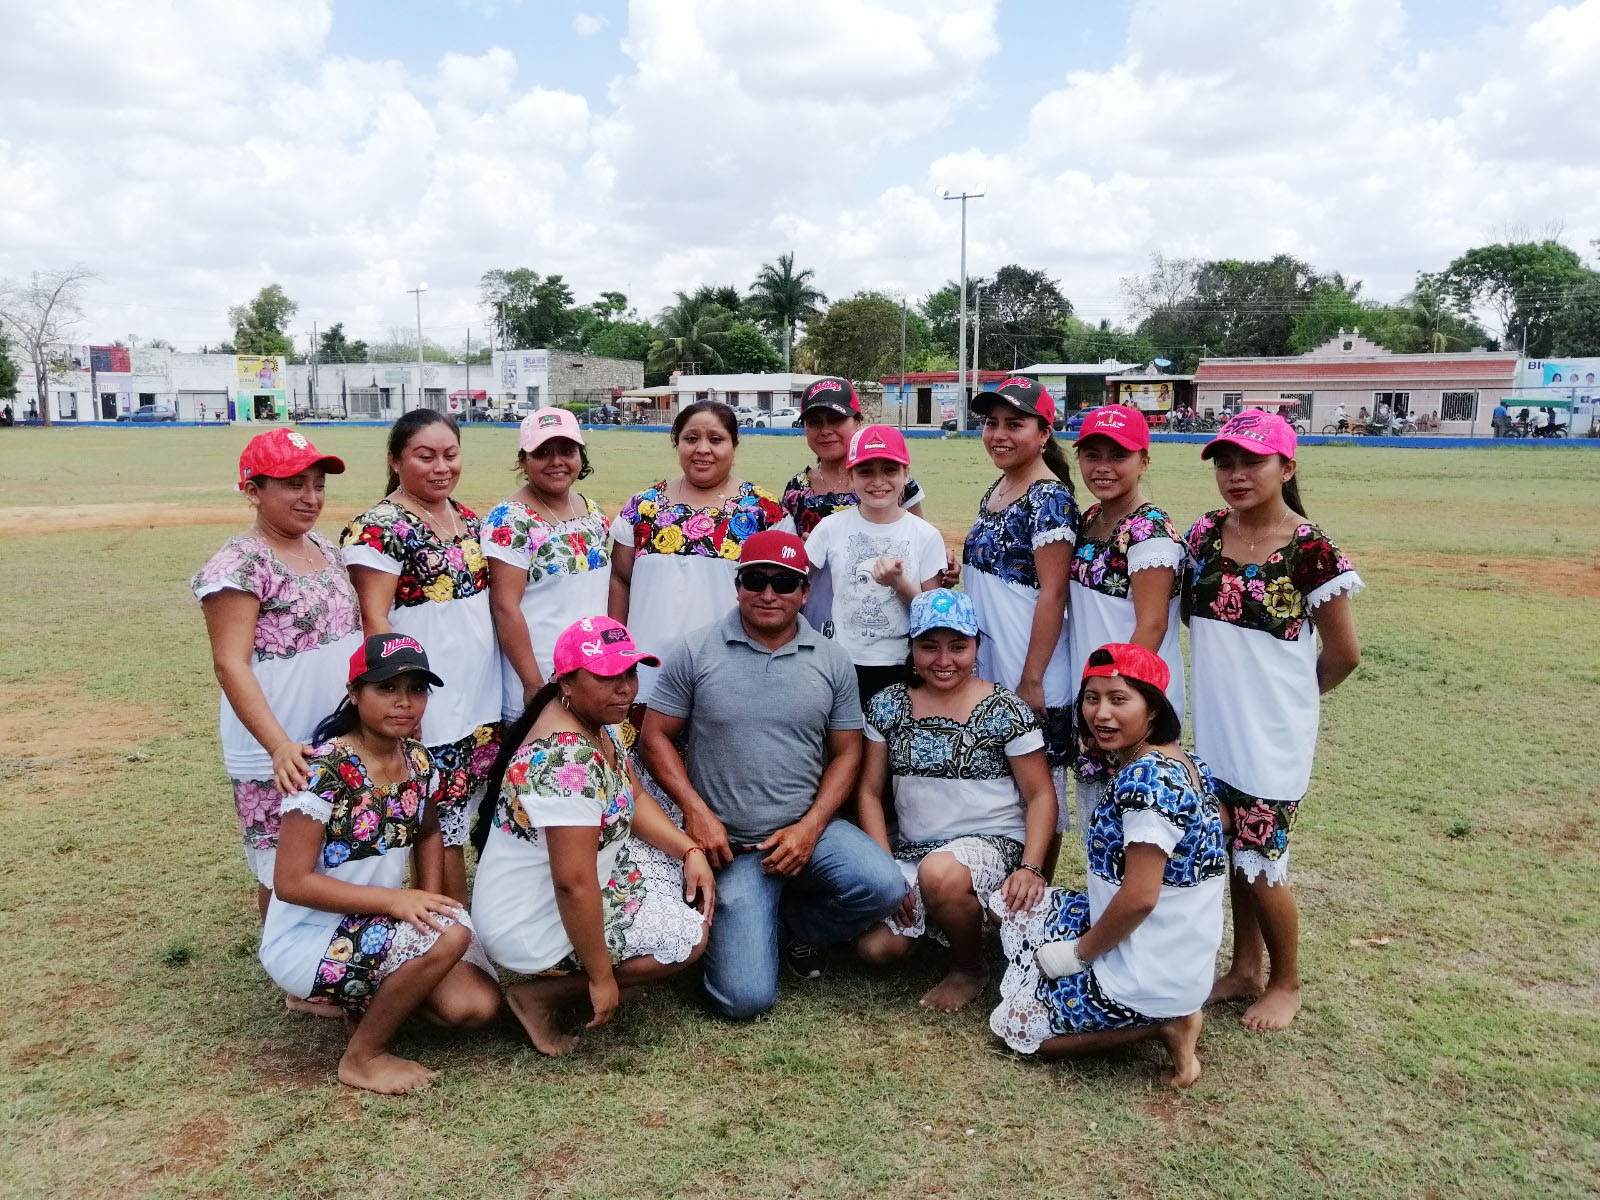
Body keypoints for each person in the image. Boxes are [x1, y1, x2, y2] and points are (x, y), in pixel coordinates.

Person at [639, 530, 906, 1018]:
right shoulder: (697, 650)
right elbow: (654, 735)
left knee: (884, 885)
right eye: (756, 580)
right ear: (737, 585)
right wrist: (695, 812)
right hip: (731, 845)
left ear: (805, 592)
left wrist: (810, 829)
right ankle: (742, 931)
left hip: (808, 832)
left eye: (784, 583)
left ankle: (790, 927)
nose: (768, 594)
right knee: (745, 999)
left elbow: (847, 753)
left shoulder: (832, 659)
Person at [259, 634, 501, 1094]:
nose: (404, 703)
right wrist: (397, 902)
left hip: (380, 921)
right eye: (387, 688)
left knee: (474, 1007)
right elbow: (290, 883)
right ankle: (363, 1056)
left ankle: (361, 1002)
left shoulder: (417, 760)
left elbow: (428, 831)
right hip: (310, 937)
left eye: (416, 689)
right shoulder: (321, 772)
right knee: (453, 936)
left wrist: (427, 904)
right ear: (354, 693)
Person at [1184, 412, 1362, 1031]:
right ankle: (1245, 968)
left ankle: (1287, 982)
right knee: (1237, 853)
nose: (1236, 476)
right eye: (1225, 463)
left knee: (1264, 860)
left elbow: (1344, 655)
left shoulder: (1311, 549)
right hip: (1215, 728)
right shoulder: (1204, 533)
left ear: (1286, 468)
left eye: (1252, 462)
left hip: (1271, 738)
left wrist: (1294, 702)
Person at [469, 617, 712, 1056]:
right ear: (567, 680)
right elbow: (573, 882)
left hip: (565, 882)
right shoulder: (566, 764)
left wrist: (688, 848)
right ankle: (543, 996)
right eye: (606, 676)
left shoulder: (602, 722)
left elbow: (632, 795)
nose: (625, 689)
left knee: (681, 874)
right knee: (689, 941)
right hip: (531, 920)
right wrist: (601, 979)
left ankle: (594, 973)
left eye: (630, 673)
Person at [989, 644, 1227, 1088]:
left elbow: (1140, 897)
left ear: (1153, 709)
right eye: (1092, 698)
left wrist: (1078, 953)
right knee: (1016, 907)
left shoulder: (1146, 781)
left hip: (1147, 967)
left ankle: (1165, 1024)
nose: (1101, 714)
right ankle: (1165, 1005)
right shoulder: (1185, 759)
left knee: (1019, 1030)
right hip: (1175, 950)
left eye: (1120, 699)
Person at [192, 429, 364, 953]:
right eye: (293, 485)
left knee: (329, 849)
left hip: (330, 736)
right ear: (253, 488)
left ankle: (327, 954)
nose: (310, 498)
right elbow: (230, 664)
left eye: (317, 485)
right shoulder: (239, 566)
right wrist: (277, 745)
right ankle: (290, 967)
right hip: (278, 744)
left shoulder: (326, 550)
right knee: (281, 861)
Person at [854, 590, 1058, 1012]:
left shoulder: (1006, 708)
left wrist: (1031, 867)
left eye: (958, 647)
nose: (943, 660)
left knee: (941, 874)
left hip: (992, 843)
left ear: (976, 647)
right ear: (911, 649)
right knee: (876, 950)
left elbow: (1040, 796)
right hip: (916, 850)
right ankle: (950, 922)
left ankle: (968, 966)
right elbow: (869, 792)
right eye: (928, 647)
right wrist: (885, 870)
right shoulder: (888, 705)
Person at [341, 410, 501, 904]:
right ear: (395, 459)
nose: (440, 467)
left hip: (481, 702)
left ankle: (455, 931)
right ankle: (451, 942)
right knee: (438, 830)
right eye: (424, 456)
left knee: (462, 818)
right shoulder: (377, 529)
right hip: (433, 709)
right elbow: (376, 623)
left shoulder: (469, 519)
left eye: (450, 455)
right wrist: (401, 704)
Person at [609, 400, 789, 708]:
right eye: (691, 438)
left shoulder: (765, 513)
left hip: (733, 680)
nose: (702, 449)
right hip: (648, 680)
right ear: (676, 443)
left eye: (715, 439)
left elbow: (783, 598)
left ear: (734, 444)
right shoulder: (642, 508)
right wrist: (617, 656)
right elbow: (620, 581)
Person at [962, 376, 1078, 812]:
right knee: (1000, 796)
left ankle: (1035, 881)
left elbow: (1053, 594)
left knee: (1038, 798)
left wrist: (1031, 680)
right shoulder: (998, 488)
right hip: (995, 666)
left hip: (1029, 672)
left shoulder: (1049, 498)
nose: (999, 435)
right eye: (992, 423)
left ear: (1045, 433)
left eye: (1015, 424)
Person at [1068, 405, 1187, 829]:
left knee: (1140, 830)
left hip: (1132, 703)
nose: (1102, 467)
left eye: (1117, 456)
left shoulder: (1148, 531)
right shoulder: (1091, 520)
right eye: (1092, 454)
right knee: (1103, 833)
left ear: (1144, 461)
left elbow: (1151, 625)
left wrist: (1117, 705)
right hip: (1101, 701)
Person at [482, 408, 612, 721]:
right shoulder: (510, 521)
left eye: (567, 451)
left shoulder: (591, 511)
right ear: (523, 461)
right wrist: (532, 684)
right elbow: (505, 607)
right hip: (542, 678)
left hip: (593, 674)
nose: (556, 462)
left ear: (581, 456)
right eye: (542, 453)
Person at [805, 424, 947, 705]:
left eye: (890, 470)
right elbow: (799, 584)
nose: (878, 481)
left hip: (901, 665)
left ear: (906, 474)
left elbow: (933, 617)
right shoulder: (830, 528)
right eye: (866, 471)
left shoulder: (925, 535)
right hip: (841, 663)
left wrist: (900, 584)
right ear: (850, 476)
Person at [779, 376, 929, 632]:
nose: (825, 430)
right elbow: (789, 558)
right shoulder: (797, 489)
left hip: (884, 615)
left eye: (836, 420)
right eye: (814, 422)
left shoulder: (893, 484)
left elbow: (919, 543)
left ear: (858, 422)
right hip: (816, 615)